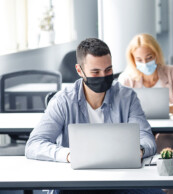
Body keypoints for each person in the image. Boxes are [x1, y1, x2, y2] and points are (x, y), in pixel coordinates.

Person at [25, 38, 161, 194]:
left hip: (120, 178)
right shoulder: (63, 101)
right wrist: (69, 155)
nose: (103, 76)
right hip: (75, 181)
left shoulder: (127, 97)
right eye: (95, 72)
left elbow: (146, 137)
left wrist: (139, 150)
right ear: (79, 70)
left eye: (108, 70)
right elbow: (34, 144)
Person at [118, 33, 173, 153]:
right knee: (137, 145)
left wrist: (169, 109)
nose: (145, 63)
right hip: (138, 130)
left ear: (156, 55)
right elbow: (120, 109)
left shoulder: (170, 72)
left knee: (166, 142)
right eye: (139, 60)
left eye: (149, 58)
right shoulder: (126, 79)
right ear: (133, 59)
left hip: (168, 130)